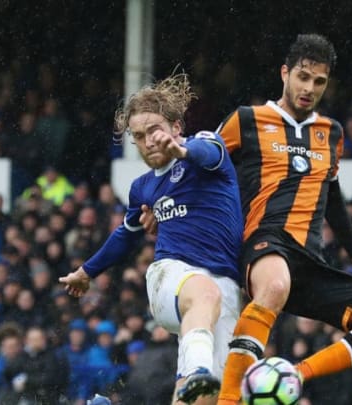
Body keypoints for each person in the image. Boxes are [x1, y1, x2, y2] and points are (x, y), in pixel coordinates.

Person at [210, 33, 352, 404]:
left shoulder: (331, 133)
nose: (309, 88)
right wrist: (155, 205)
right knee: (274, 286)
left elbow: (333, 194)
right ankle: (229, 401)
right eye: (303, 77)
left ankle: (295, 374)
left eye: (319, 81)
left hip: (310, 262)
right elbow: (201, 166)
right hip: (265, 244)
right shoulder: (247, 120)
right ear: (285, 73)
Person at [59, 73, 243, 404]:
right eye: (139, 136)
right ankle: (199, 369)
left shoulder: (205, 146)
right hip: (171, 276)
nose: (149, 141)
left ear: (175, 126)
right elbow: (124, 236)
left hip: (225, 291)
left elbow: (207, 153)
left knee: (206, 398)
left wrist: (183, 151)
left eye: (155, 130)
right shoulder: (143, 188)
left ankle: (195, 375)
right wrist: (86, 272)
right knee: (205, 295)